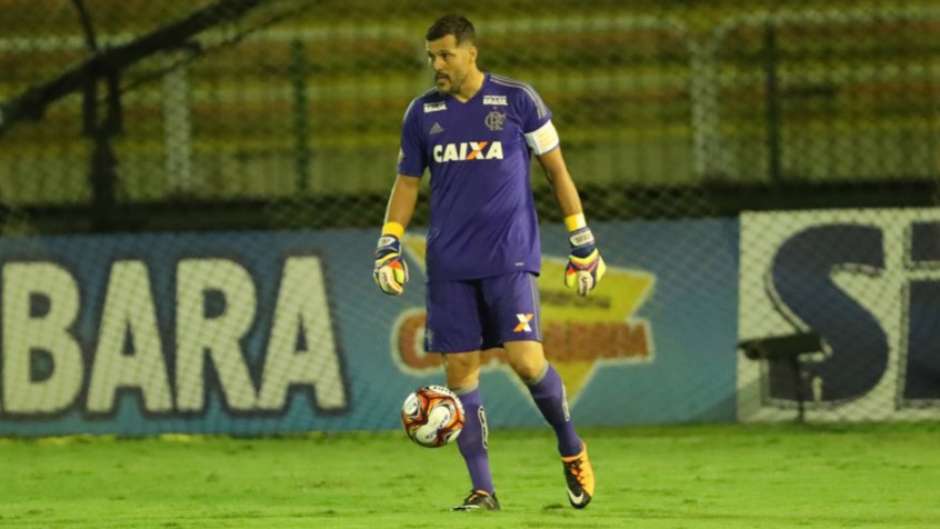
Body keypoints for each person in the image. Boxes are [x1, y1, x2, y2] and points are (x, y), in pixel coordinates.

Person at [373, 14, 605, 511]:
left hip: (510, 255)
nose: (436, 64)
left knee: (525, 360)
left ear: (471, 53)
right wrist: (389, 244)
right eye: (431, 55)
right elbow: (407, 183)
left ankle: (570, 445)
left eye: (445, 55)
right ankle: (484, 490)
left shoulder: (519, 100)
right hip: (450, 263)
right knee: (460, 370)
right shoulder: (421, 114)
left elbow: (557, 172)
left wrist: (582, 241)